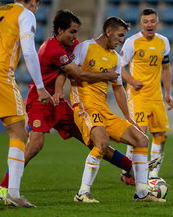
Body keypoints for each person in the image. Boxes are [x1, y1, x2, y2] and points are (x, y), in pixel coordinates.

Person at [0, 9, 150, 203]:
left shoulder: (75, 45)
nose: (75, 37)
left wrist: (60, 92)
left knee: (95, 139)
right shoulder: (51, 49)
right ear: (60, 31)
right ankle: (4, 188)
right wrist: (106, 76)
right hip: (41, 100)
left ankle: (130, 168)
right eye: (72, 32)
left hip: (59, 103)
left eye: (77, 32)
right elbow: (78, 74)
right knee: (35, 145)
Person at [70, 16, 165, 202]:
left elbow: (118, 87)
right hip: (85, 106)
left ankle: (142, 193)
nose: (121, 40)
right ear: (108, 32)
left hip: (103, 110)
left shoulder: (114, 58)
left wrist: (128, 117)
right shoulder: (85, 48)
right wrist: (58, 91)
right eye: (120, 35)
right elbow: (67, 70)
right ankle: (82, 193)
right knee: (102, 143)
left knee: (141, 139)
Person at [0, 0, 53, 208]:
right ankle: (12, 193)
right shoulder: (26, 14)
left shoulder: (0, 11)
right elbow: (29, 51)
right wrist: (40, 87)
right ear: (33, 2)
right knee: (19, 133)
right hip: (1, 76)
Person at [119, 8, 173, 185]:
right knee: (139, 134)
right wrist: (132, 81)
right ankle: (127, 171)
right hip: (138, 95)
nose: (149, 24)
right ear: (141, 24)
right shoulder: (132, 42)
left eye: (152, 21)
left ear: (157, 23)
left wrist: (168, 93)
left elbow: (166, 68)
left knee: (161, 134)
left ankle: (153, 175)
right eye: (146, 21)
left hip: (156, 95)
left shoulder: (164, 42)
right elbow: (119, 67)